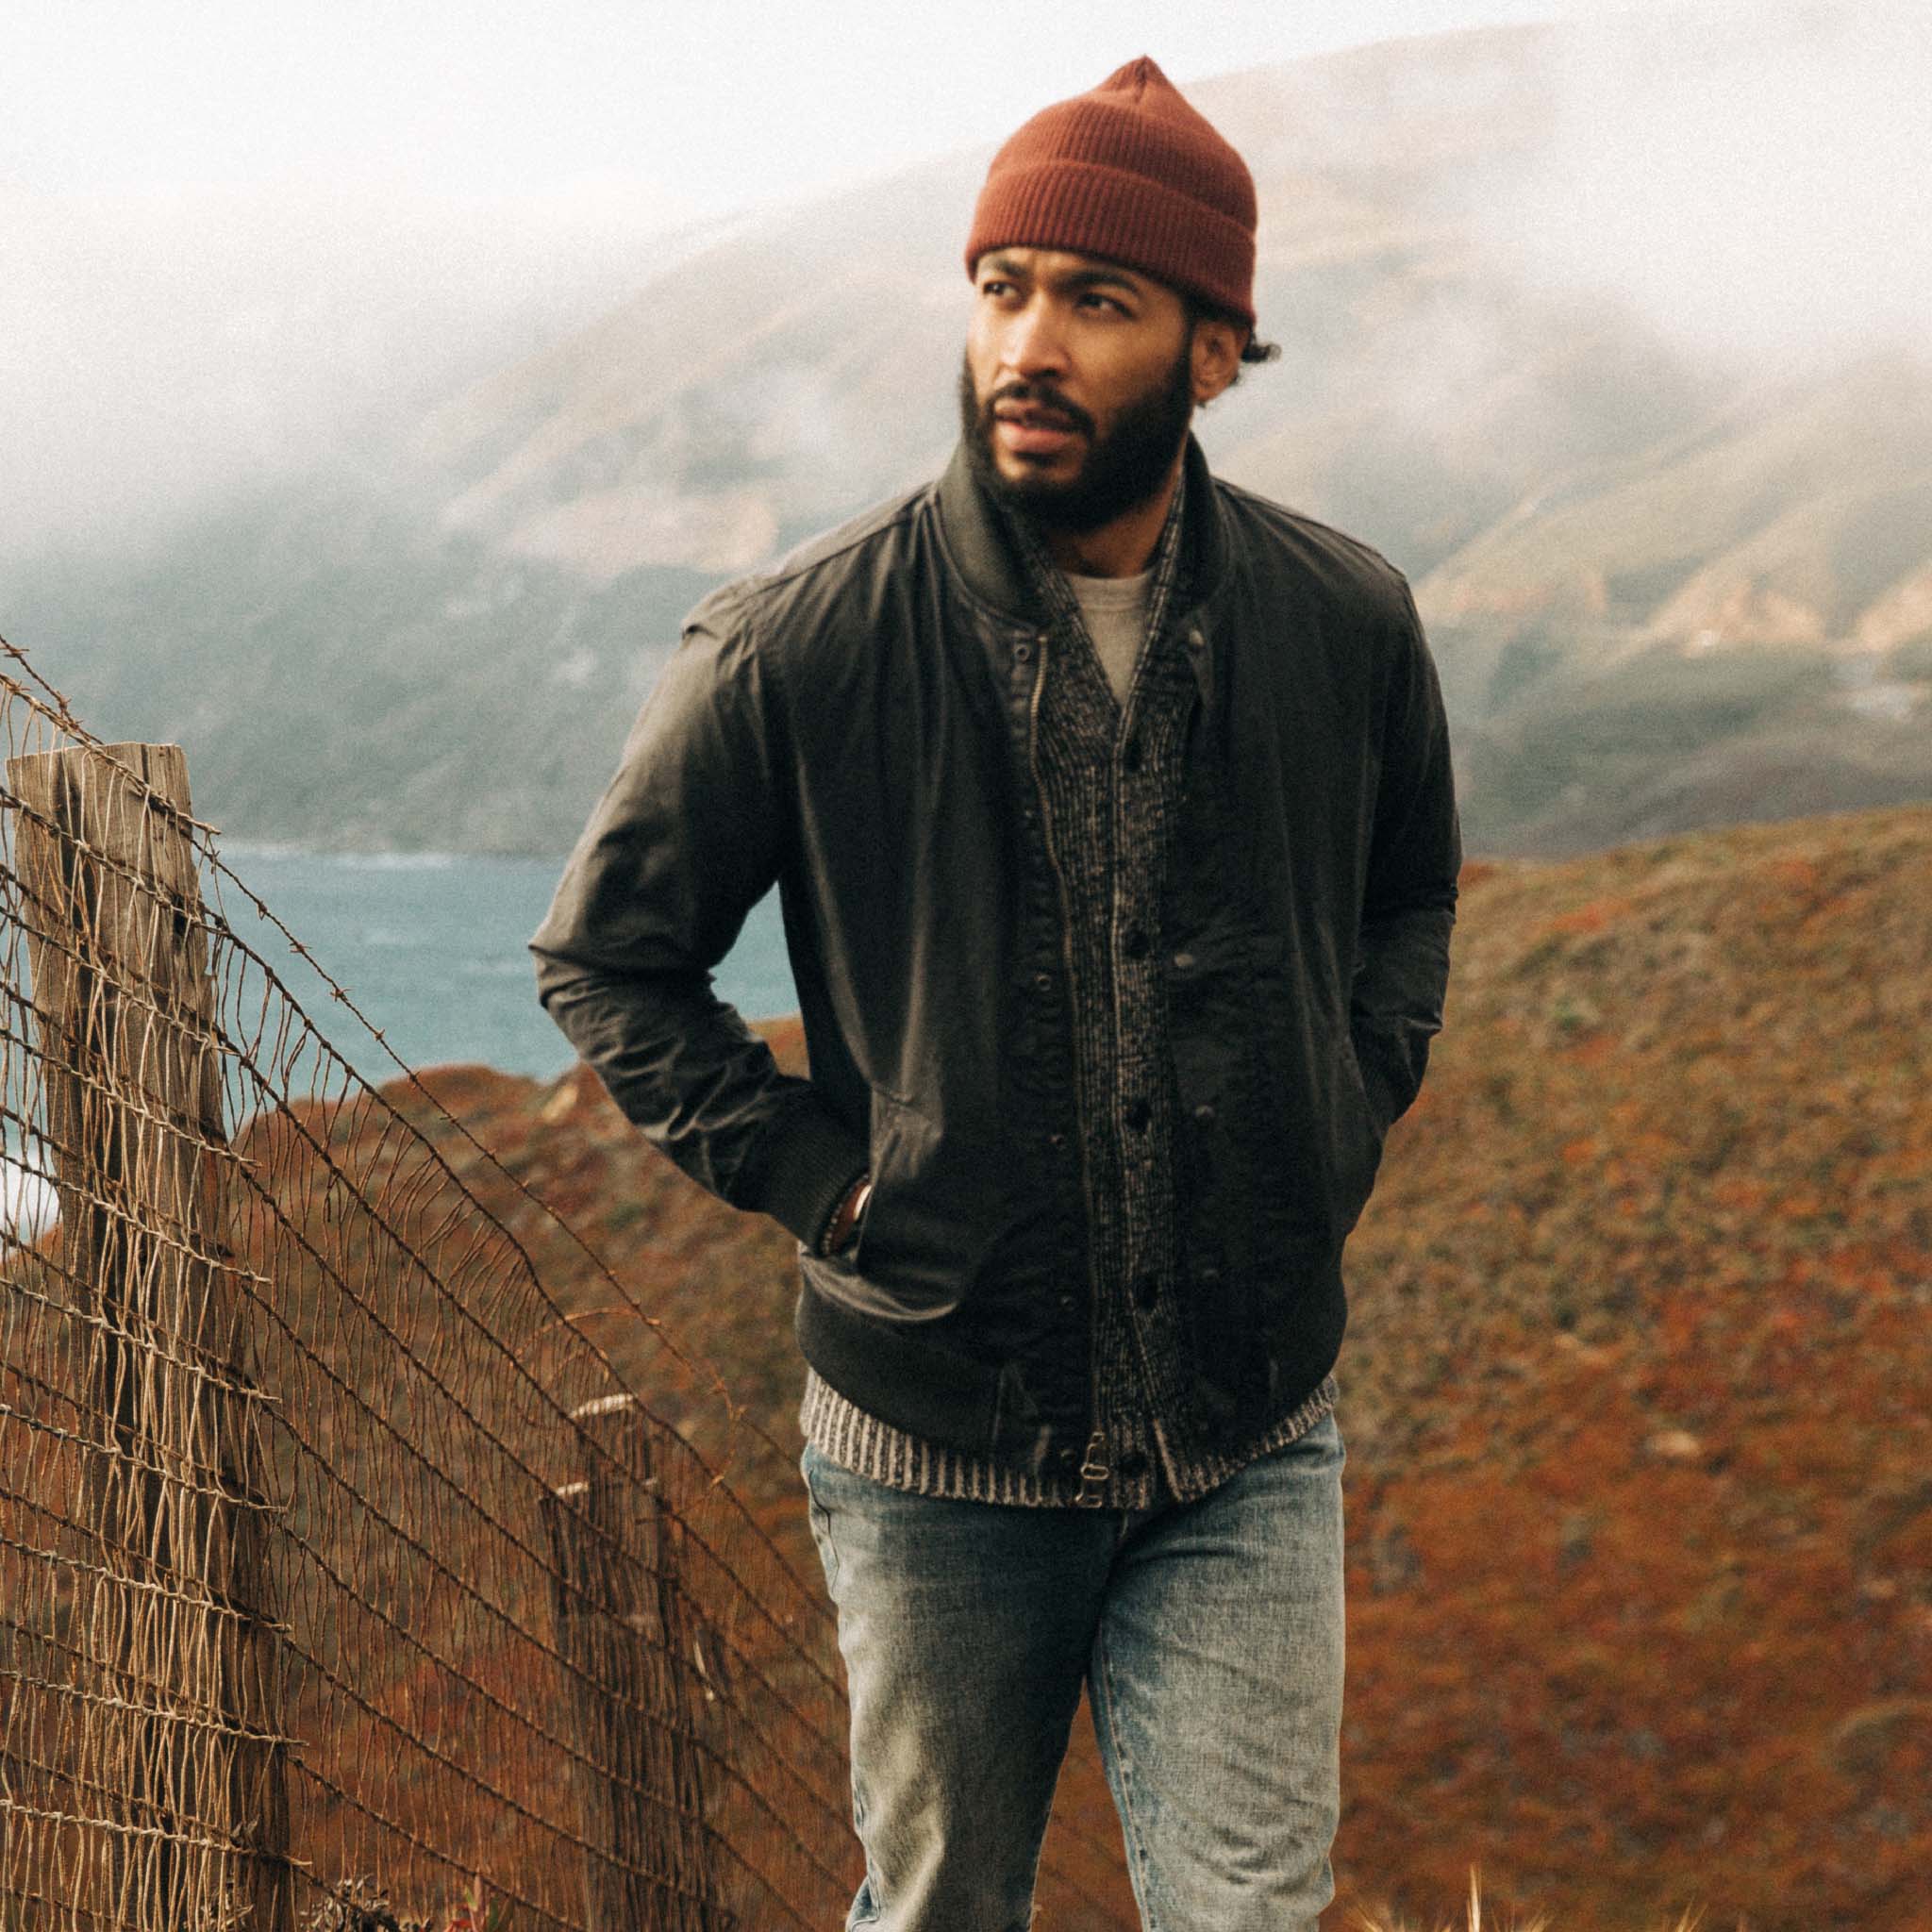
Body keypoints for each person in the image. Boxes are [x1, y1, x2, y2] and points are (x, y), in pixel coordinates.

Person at [531, 55, 1459, 1932]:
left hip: (1248, 1436)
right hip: (938, 1443)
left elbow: (1404, 893)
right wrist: (826, 1185)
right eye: (999, 286)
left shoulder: (1340, 621)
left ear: (1213, 350)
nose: (1026, 343)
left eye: (1093, 301)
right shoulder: (804, 641)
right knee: (944, 1909)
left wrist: (1338, 1106)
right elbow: (609, 958)